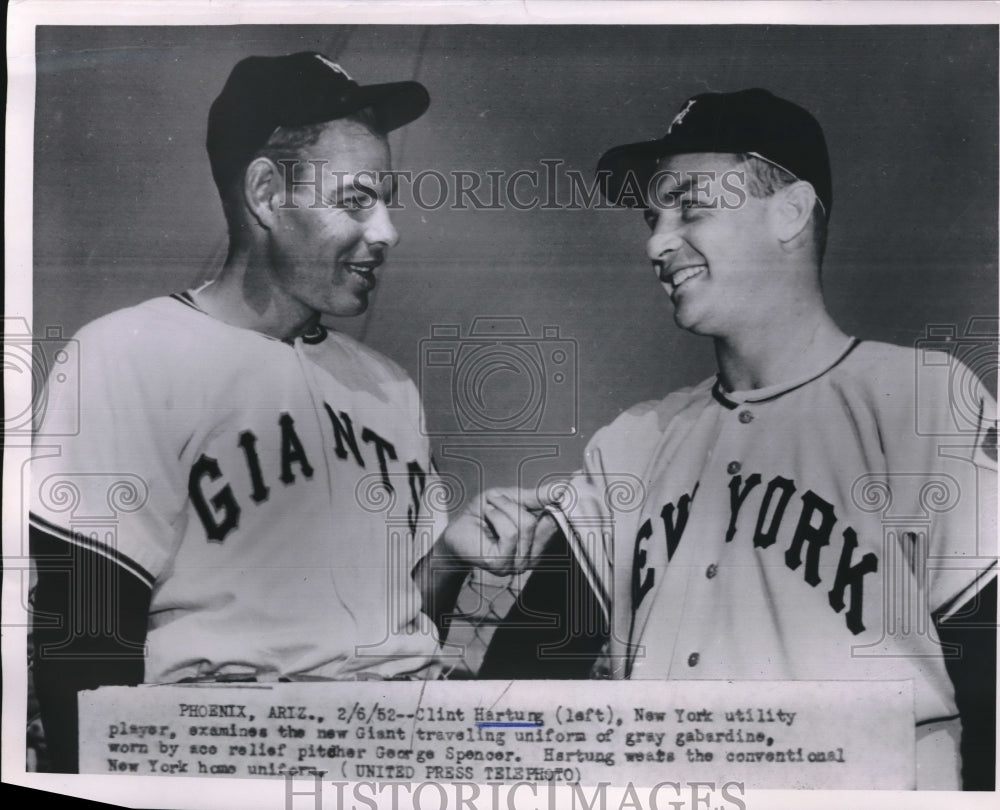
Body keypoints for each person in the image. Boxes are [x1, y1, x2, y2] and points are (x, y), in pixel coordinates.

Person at [28, 52, 536, 773]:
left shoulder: (388, 389)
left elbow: (393, 627)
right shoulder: (128, 355)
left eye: (385, 201)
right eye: (357, 200)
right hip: (237, 757)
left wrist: (451, 555)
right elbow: (81, 649)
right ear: (266, 193)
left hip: (405, 751)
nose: (388, 231)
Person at [480, 88, 997, 790]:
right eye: (652, 217)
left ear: (790, 212)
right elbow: (518, 690)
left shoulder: (923, 401)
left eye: (690, 206)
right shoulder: (632, 444)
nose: (658, 242)